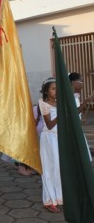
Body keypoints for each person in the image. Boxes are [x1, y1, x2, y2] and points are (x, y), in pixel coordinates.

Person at [38, 77, 62, 213]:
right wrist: (62, 112)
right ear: (46, 91)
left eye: (57, 89)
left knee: (59, 168)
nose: (56, 91)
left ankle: (59, 197)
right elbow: (50, 124)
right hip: (49, 138)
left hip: (59, 138)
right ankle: (48, 200)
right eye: (53, 89)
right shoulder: (43, 103)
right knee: (49, 169)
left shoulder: (60, 102)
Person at [68, 72, 94, 161]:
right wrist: (86, 101)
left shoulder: (75, 96)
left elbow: (77, 111)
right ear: (73, 82)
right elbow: (74, 112)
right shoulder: (69, 96)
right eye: (81, 81)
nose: (83, 84)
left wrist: (81, 118)